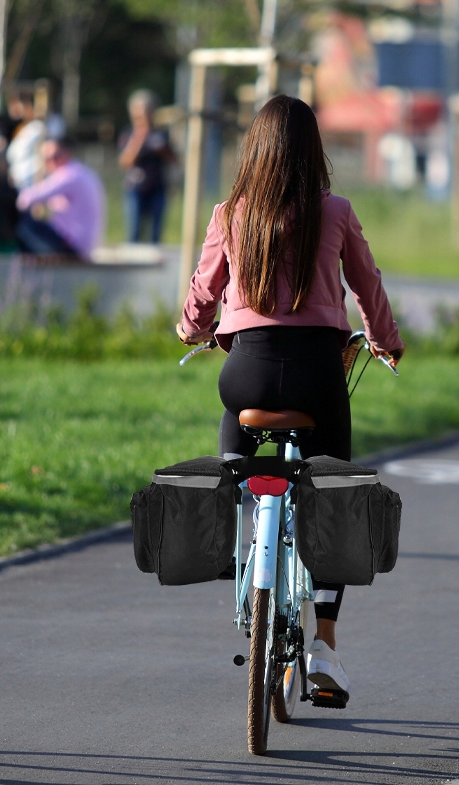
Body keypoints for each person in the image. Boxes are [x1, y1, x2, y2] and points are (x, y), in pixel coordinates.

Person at [176, 95, 405, 697]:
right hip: (317, 377)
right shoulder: (336, 211)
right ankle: (324, 644)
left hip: (245, 375)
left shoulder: (231, 214)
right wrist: (386, 341)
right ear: (313, 150)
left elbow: (202, 292)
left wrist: (192, 330)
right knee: (334, 496)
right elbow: (368, 286)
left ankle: (236, 525)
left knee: (235, 446)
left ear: (254, 149)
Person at [15, 136, 105, 262]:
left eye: (55, 157)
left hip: (74, 246)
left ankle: (18, 266)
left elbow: (27, 199)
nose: (51, 162)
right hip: (83, 246)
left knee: (23, 225)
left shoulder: (69, 175)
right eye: (46, 159)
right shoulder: (81, 172)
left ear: (68, 153)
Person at [118, 89, 175, 244]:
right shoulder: (128, 134)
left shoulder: (161, 134)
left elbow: (174, 159)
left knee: (155, 233)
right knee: (134, 231)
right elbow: (125, 162)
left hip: (157, 187)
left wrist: (162, 150)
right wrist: (139, 138)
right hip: (135, 188)